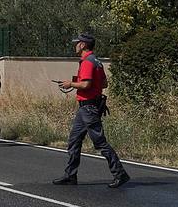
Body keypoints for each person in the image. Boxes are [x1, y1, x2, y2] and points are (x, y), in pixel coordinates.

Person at [53, 33, 129, 188]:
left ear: (83, 45)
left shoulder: (87, 62)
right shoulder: (97, 62)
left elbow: (86, 84)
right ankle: (70, 175)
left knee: (100, 142)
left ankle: (120, 174)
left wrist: (71, 84)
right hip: (87, 108)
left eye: (77, 43)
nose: (75, 46)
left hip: (88, 108)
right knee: (74, 141)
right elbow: (104, 84)